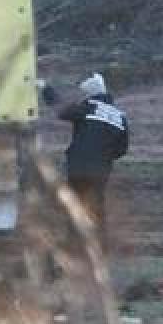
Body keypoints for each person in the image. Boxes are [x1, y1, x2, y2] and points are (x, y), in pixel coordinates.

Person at [54, 72, 129, 246]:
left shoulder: (88, 107)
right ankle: (99, 246)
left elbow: (62, 112)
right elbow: (122, 149)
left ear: (90, 94)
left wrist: (47, 90)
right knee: (97, 206)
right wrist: (104, 157)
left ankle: (73, 244)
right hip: (101, 170)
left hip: (78, 168)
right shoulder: (120, 116)